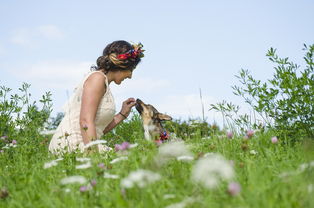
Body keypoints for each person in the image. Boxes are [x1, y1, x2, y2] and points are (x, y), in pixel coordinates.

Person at [48, 40, 144, 154]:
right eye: (131, 70)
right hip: (72, 145)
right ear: (122, 65)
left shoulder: (104, 84)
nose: (130, 76)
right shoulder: (97, 79)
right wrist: (93, 159)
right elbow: (85, 121)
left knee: (130, 158)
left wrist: (122, 114)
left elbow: (99, 129)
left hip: (85, 143)